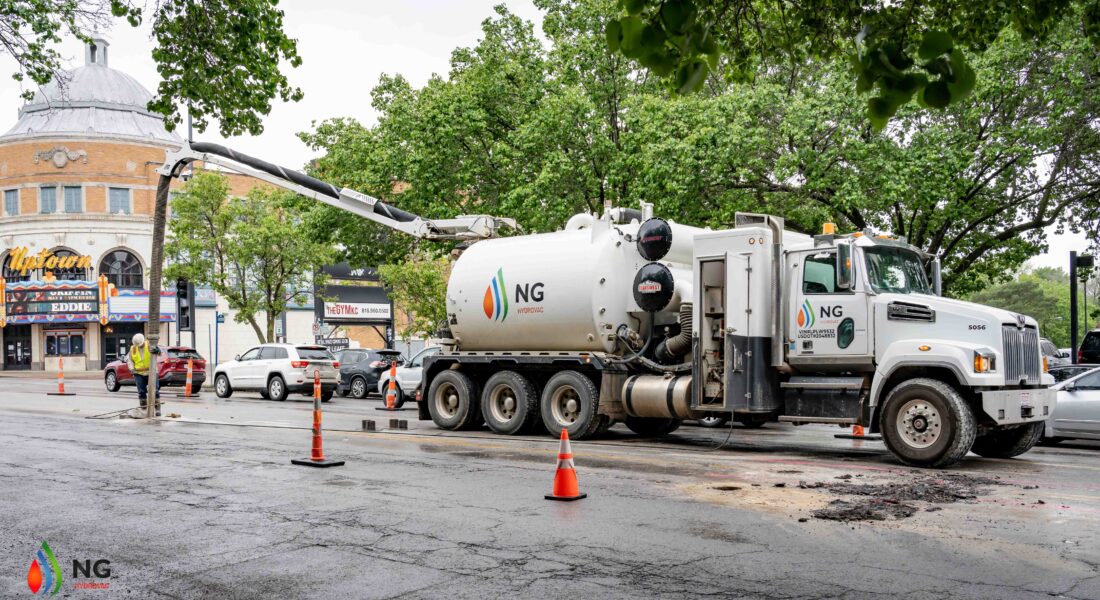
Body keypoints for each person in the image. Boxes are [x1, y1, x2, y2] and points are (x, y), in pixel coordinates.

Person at [126, 333, 162, 415]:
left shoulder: (149, 344)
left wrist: (158, 351)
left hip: (151, 371)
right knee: (141, 392)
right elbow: (130, 360)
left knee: (155, 390)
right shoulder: (133, 348)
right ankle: (144, 409)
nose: (139, 346)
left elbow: (159, 354)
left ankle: (157, 409)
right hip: (138, 373)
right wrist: (132, 369)